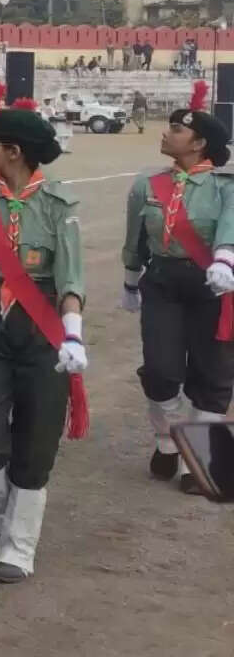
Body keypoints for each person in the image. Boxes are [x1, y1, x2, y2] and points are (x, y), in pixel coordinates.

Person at [0, 95, 85, 583]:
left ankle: (18, 543)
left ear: (13, 151)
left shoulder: (58, 204)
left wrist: (72, 336)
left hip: (43, 330)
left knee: (35, 443)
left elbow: (71, 278)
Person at [121, 81, 234, 496]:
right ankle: (168, 438)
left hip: (215, 287)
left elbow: (231, 228)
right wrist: (131, 279)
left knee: (212, 375)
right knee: (161, 371)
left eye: (177, 129)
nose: (166, 133)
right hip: (164, 282)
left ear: (200, 143)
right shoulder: (146, 185)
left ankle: (198, 459)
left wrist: (225, 259)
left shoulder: (227, 186)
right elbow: (135, 237)